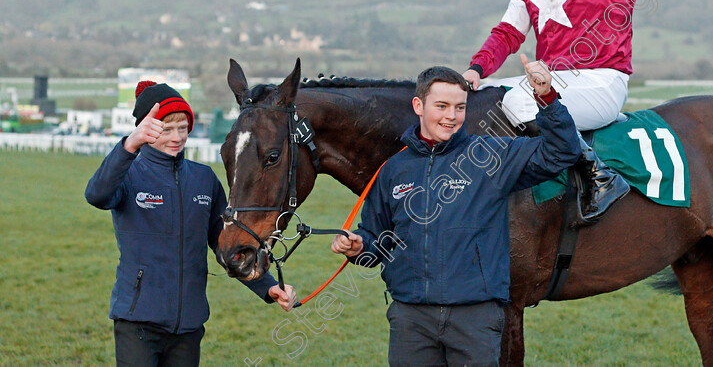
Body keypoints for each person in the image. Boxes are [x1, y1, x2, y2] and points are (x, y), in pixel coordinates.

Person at [331, 56, 581, 366]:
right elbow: (375, 240)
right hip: (411, 320)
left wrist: (546, 97)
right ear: (418, 106)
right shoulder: (393, 170)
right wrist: (357, 246)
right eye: (442, 106)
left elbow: (562, 152)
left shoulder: (490, 155)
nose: (452, 116)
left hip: (475, 318)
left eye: (460, 107)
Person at [463, 0, 671, 220]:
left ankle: (599, 174)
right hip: (550, 81)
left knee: (519, 104)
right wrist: (476, 69)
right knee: (477, 98)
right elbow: (508, 33)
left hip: (601, 81)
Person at [85, 81, 297, 366]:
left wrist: (267, 287)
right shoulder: (129, 172)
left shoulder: (203, 179)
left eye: (182, 128)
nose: (176, 137)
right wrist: (129, 145)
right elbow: (96, 195)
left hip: (188, 326)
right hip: (137, 322)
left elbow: (228, 243)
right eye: (166, 128)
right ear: (146, 129)